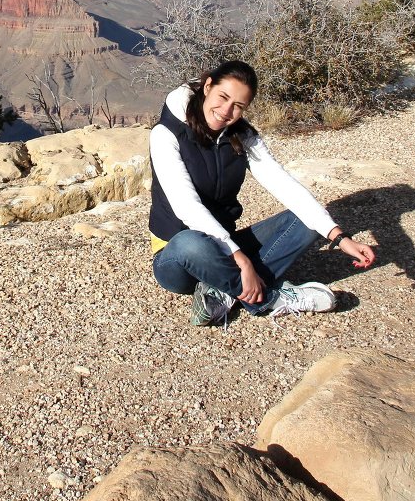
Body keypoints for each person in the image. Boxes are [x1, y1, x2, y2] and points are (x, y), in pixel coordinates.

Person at [149, 60, 376, 326]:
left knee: (307, 219)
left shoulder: (241, 136)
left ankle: (223, 291)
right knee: (190, 242)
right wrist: (241, 260)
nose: (226, 111)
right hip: (179, 258)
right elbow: (186, 206)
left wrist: (339, 236)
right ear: (207, 86)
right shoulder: (165, 134)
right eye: (223, 97)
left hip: (224, 246)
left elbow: (282, 182)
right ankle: (269, 299)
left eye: (238, 106)